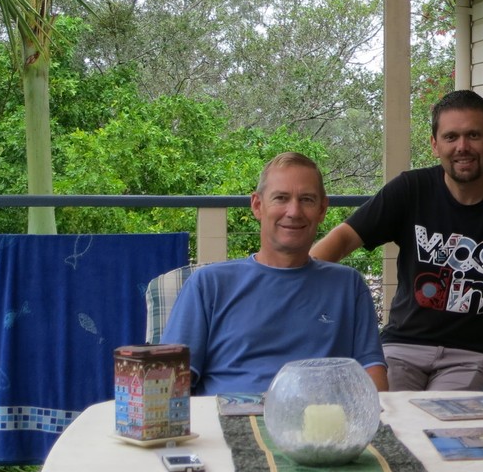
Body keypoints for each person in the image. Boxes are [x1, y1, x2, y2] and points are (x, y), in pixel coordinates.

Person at [310, 89, 483, 391]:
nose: (462, 147)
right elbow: (342, 239)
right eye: (451, 137)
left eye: (473, 135)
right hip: (402, 348)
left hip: (479, 356)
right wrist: (300, 294)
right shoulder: (410, 190)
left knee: (441, 420)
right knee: (376, 409)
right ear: (435, 145)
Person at [162, 152, 387, 395]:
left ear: (322, 209)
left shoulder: (348, 285)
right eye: (281, 198)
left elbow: (372, 374)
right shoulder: (209, 285)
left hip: (322, 424)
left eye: (307, 200)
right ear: (257, 206)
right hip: (231, 421)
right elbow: (170, 381)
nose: (294, 211)